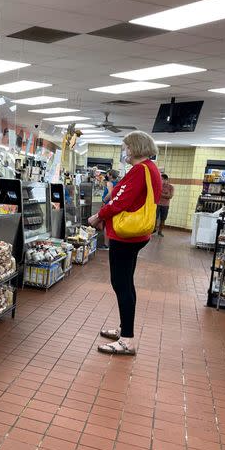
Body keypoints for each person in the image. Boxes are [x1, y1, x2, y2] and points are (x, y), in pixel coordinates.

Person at [88, 131, 161, 356]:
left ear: (134, 148)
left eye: (125, 147)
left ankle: (127, 340)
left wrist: (98, 216)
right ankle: (124, 329)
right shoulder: (149, 169)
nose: (124, 151)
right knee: (126, 283)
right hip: (136, 235)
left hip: (126, 236)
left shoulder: (141, 170)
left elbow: (120, 201)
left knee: (120, 283)